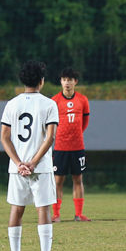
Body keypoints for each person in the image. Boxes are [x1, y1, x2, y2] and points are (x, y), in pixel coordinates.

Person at [0, 61, 60, 251]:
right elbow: (50, 137)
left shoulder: (11, 104)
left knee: (17, 209)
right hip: (41, 167)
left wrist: (19, 163)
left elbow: (4, 137)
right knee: (43, 209)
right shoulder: (49, 104)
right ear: (41, 81)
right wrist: (33, 163)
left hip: (17, 169)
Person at [52, 67, 91, 222]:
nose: (67, 83)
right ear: (61, 82)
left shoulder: (83, 100)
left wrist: (76, 134)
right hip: (60, 147)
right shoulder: (54, 101)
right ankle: (56, 214)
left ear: (76, 82)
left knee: (78, 179)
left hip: (77, 146)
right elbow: (51, 124)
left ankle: (79, 214)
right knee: (58, 181)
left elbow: (85, 121)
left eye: (69, 80)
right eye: (64, 80)